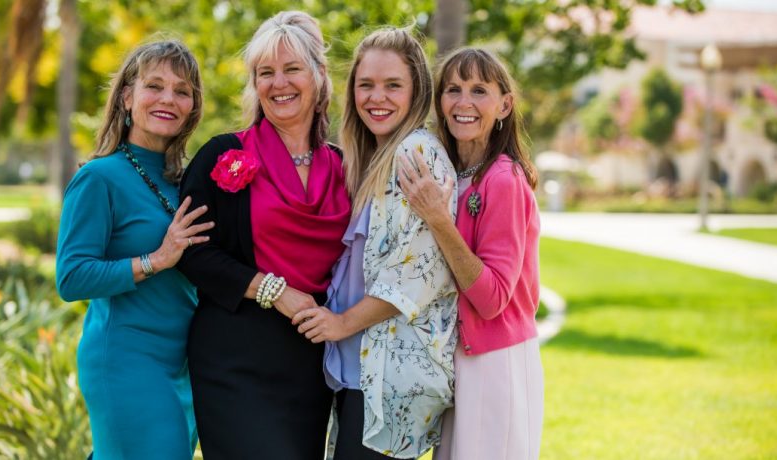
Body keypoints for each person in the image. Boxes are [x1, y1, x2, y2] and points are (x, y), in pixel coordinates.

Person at [176, 11, 350, 460]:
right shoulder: (224, 153)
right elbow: (192, 253)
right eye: (265, 72)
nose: (279, 83)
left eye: (292, 69)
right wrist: (275, 291)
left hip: (310, 362)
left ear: (318, 75)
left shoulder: (345, 166)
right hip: (234, 358)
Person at [292, 28, 458, 460]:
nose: (376, 97)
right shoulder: (369, 158)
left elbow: (418, 274)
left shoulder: (416, 154)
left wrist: (341, 324)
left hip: (392, 375)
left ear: (416, 91)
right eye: (366, 85)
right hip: (360, 368)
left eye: (392, 85)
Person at [55, 39, 207, 460]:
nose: (168, 99)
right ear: (127, 97)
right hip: (126, 359)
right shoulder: (99, 178)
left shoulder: (189, 181)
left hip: (183, 364)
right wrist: (155, 260)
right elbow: (71, 277)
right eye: (154, 86)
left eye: (181, 90)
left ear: (193, 106)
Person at [398, 48, 544, 460]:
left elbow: (492, 298)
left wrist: (437, 219)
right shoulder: (448, 171)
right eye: (453, 89)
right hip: (455, 357)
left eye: (479, 90)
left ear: (504, 105)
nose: (464, 102)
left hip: (494, 361)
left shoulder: (504, 180)